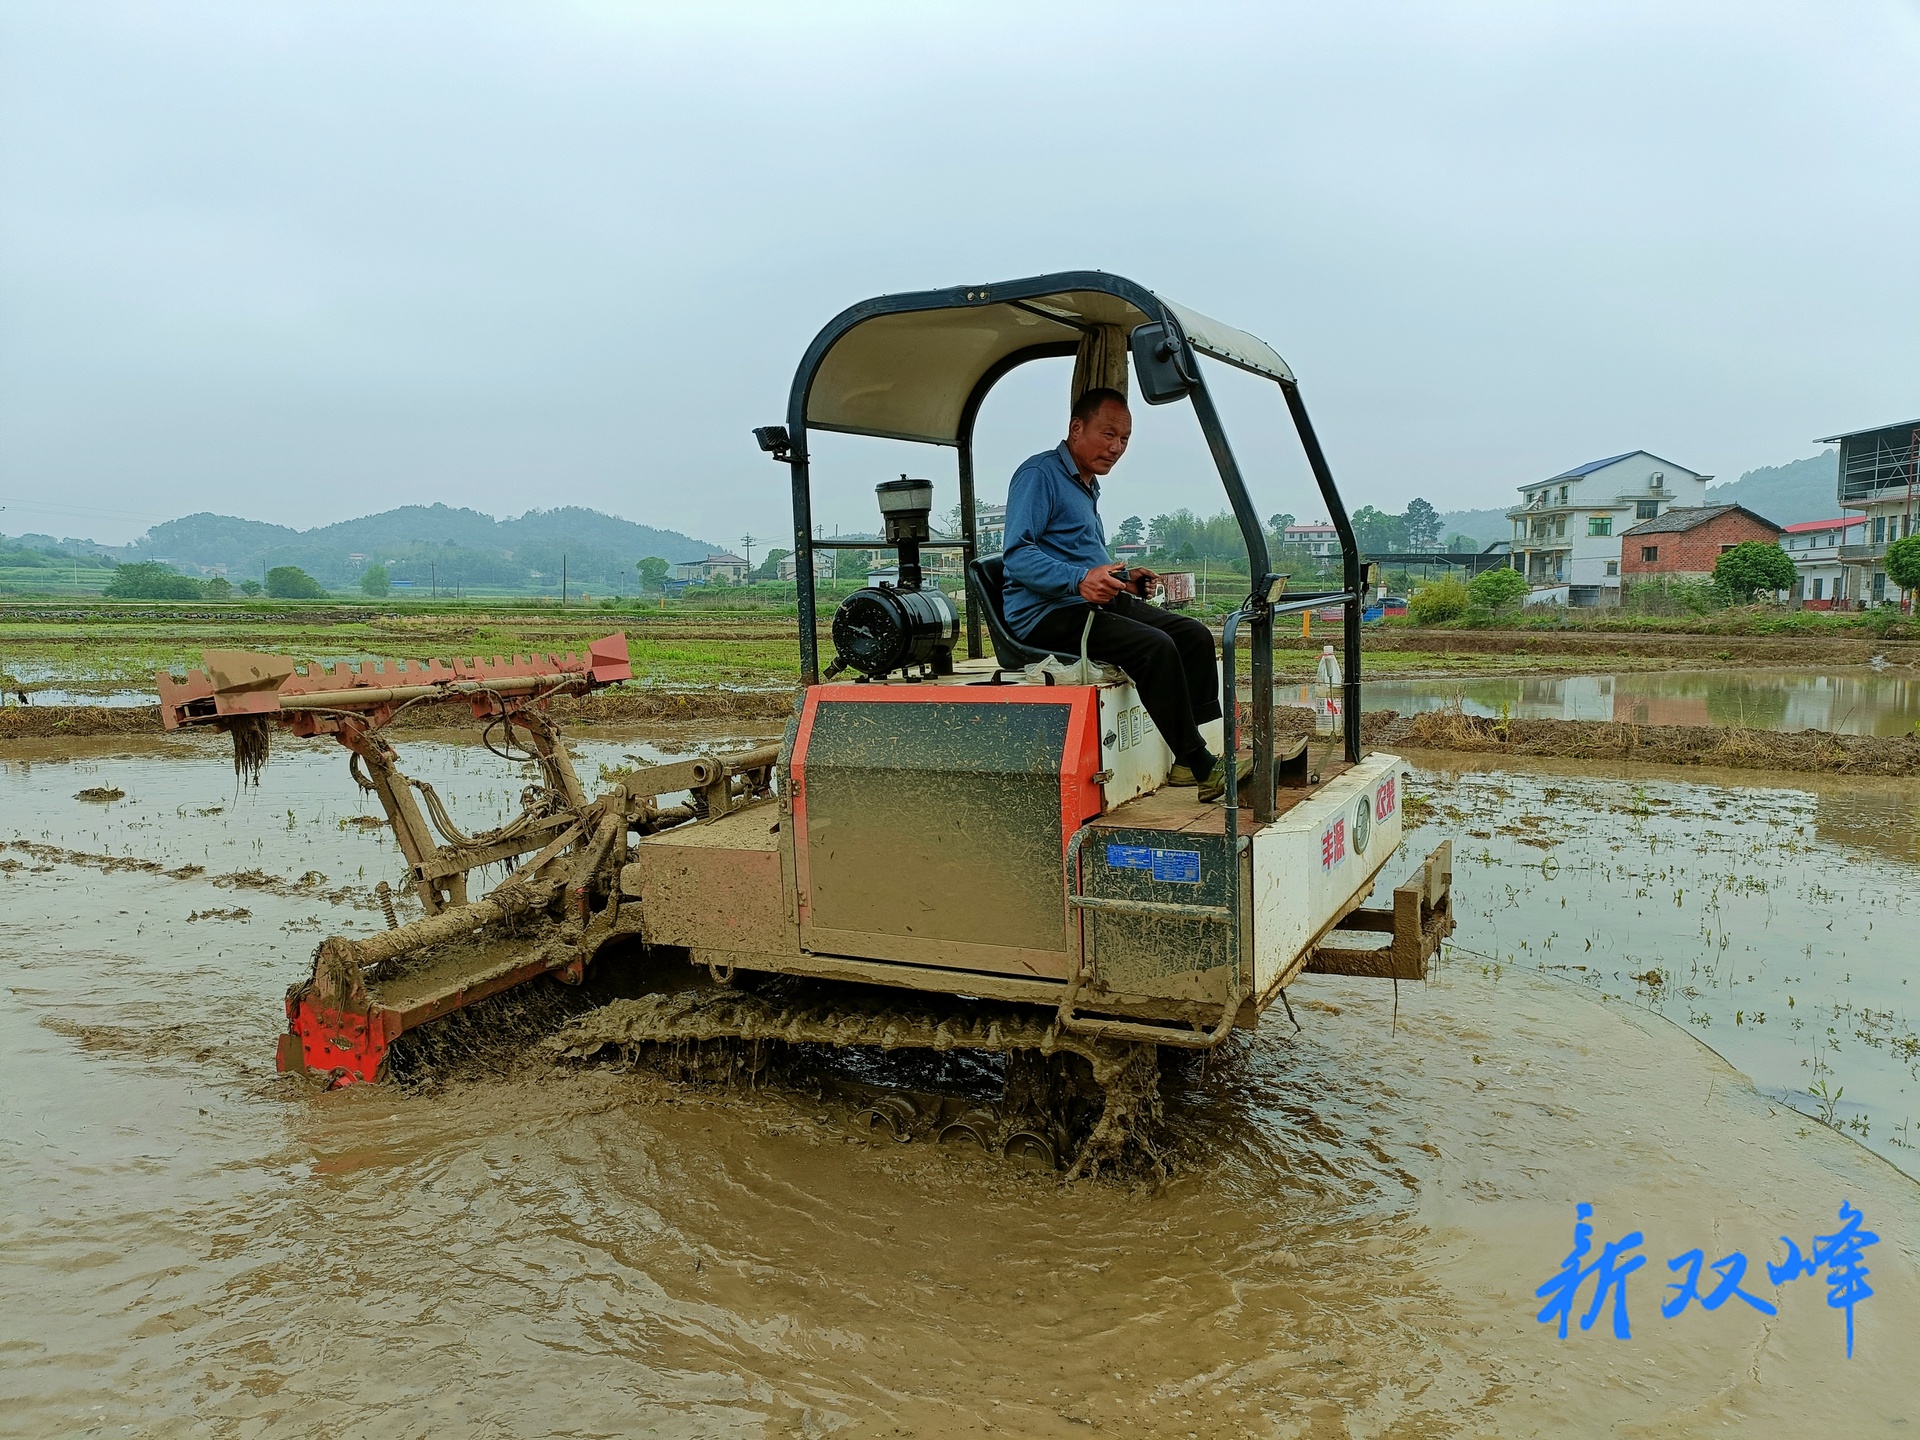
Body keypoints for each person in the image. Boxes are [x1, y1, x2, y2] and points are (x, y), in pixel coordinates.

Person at [1000, 387, 1250, 802]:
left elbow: (1079, 553)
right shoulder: (1039, 475)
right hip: (1047, 612)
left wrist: (1125, 578)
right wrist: (1079, 580)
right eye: (1108, 434)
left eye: (1125, 440)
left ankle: (1189, 756)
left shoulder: (1086, 483)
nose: (1116, 448)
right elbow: (1018, 555)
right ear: (1076, 428)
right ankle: (1204, 765)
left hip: (1088, 599)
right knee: (1154, 647)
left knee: (1193, 636)